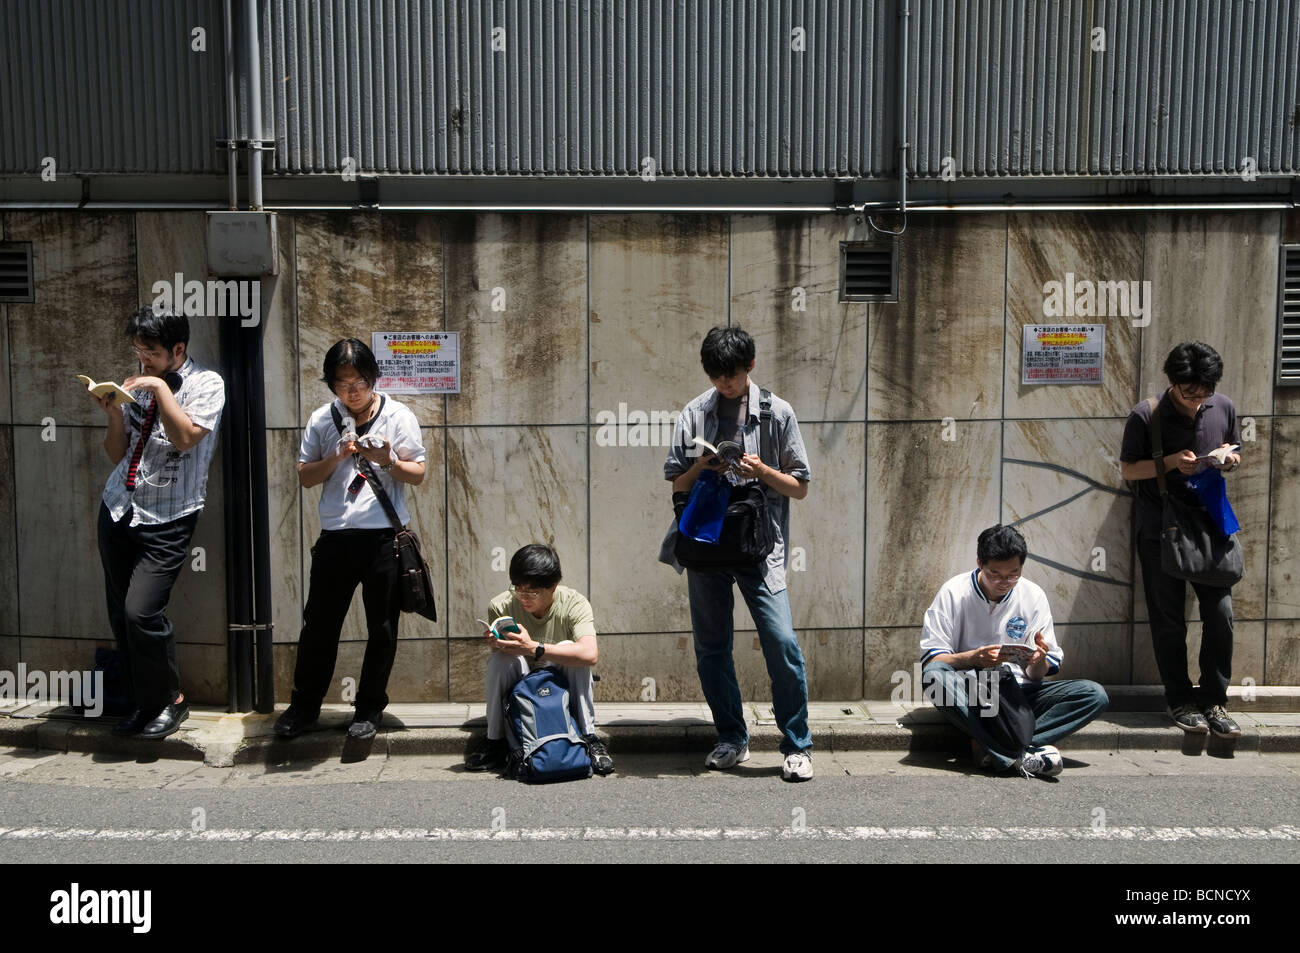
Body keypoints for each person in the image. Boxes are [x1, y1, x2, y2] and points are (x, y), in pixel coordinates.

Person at [659, 326, 814, 782]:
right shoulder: (694, 412)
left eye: (730, 375)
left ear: (750, 366)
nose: (723, 384)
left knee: (781, 641)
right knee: (711, 646)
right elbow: (676, 482)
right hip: (706, 541)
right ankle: (731, 737)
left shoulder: (777, 412)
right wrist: (700, 466)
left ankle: (797, 744)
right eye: (715, 376)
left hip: (759, 544)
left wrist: (761, 469)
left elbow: (800, 488)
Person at [274, 339, 427, 741]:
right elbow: (305, 476)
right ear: (331, 385)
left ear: (373, 378)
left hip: (383, 539)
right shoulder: (322, 420)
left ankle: (369, 707)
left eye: (359, 381)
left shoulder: (398, 416)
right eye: (342, 383)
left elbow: (419, 473)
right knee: (319, 627)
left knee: (382, 627)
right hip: (336, 539)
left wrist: (389, 461)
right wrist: (338, 456)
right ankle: (304, 706)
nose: (352, 390)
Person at [94, 307, 225, 739]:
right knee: (120, 615)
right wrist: (114, 414)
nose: (142, 359)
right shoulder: (138, 385)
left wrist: (157, 387)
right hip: (119, 508)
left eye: (150, 352)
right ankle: (140, 702)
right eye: (138, 351)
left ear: (178, 349)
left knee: (142, 611)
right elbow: (118, 454)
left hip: (168, 515)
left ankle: (171, 699)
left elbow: (186, 438)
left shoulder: (207, 384)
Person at [1120, 341, 1243, 737]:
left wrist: (1229, 457)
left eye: (1204, 392)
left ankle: (1214, 698)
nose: (1197, 400)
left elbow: (1236, 449)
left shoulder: (1221, 406)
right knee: (1169, 620)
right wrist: (1172, 462)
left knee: (1220, 614)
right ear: (1172, 383)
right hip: (1162, 528)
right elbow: (1127, 471)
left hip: (1211, 525)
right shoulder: (1147, 415)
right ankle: (1179, 699)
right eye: (1189, 393)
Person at [919, 525, 1109, 778]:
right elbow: (933, 658)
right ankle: (1017, 753)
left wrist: (1038, 660)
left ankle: (995, 748)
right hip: (973, 694)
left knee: (1093, 695)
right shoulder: (954, 592)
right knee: (934, 675)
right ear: (979, 564)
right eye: (994, 574)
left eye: (1013, 574)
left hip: (1020, 693)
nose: (1003, 582)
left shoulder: (1033, 595)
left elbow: (1040, 672)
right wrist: (973, 658)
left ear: (1021, 567)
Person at [464, 544, 613, 775]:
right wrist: (499, 644)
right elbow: (505, 660)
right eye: (518, 589)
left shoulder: (574, 603)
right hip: (522, 682)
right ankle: (495, 740)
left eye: (532, 592)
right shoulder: (501, 605)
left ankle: (588, 736)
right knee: (499, 661)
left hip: (559, 680)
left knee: (571, 650)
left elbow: (590, 654)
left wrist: (534, 648)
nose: (523, 597)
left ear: (553, 586)